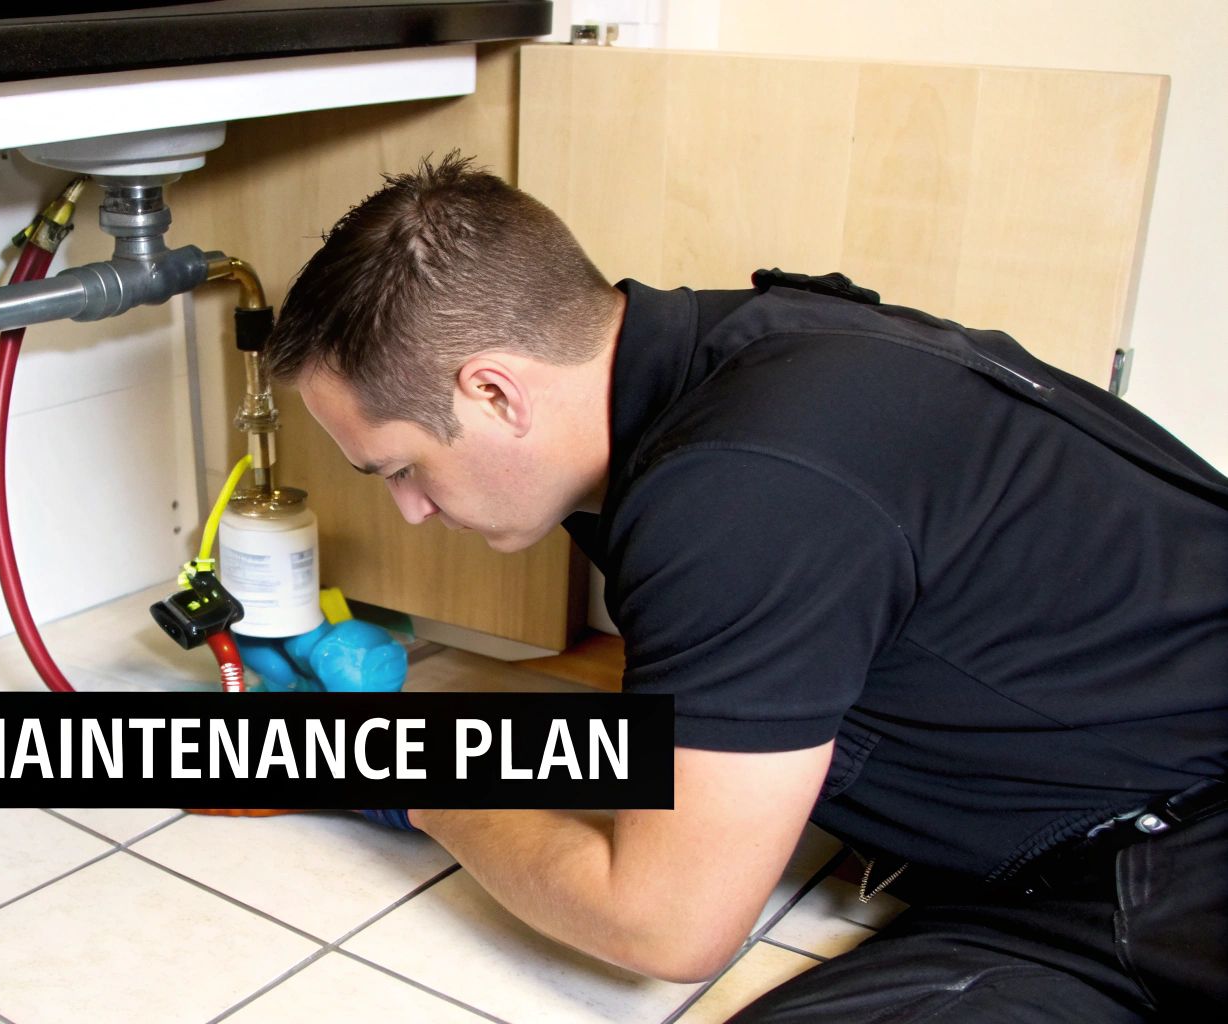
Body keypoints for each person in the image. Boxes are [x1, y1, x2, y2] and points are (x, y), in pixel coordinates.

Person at [258, 154, 1228, 1020]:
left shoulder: (737, 492)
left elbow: (662, 928)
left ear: (494, 391)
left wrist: (422, 782)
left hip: (1181, 873)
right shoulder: (740, 349)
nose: (411, 512)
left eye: (396, 468)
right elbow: (714, 722)